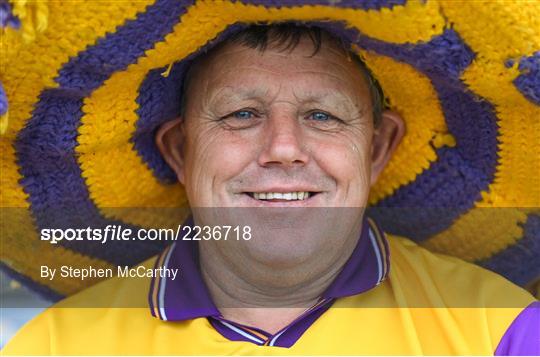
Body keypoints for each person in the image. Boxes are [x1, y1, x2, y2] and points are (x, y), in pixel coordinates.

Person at [3, 24, 538, 355]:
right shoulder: (57, 346)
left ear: (377, 149)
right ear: (180, 151)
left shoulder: (503, 334)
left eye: (323, 115)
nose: (284, 147)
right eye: (242, 114)